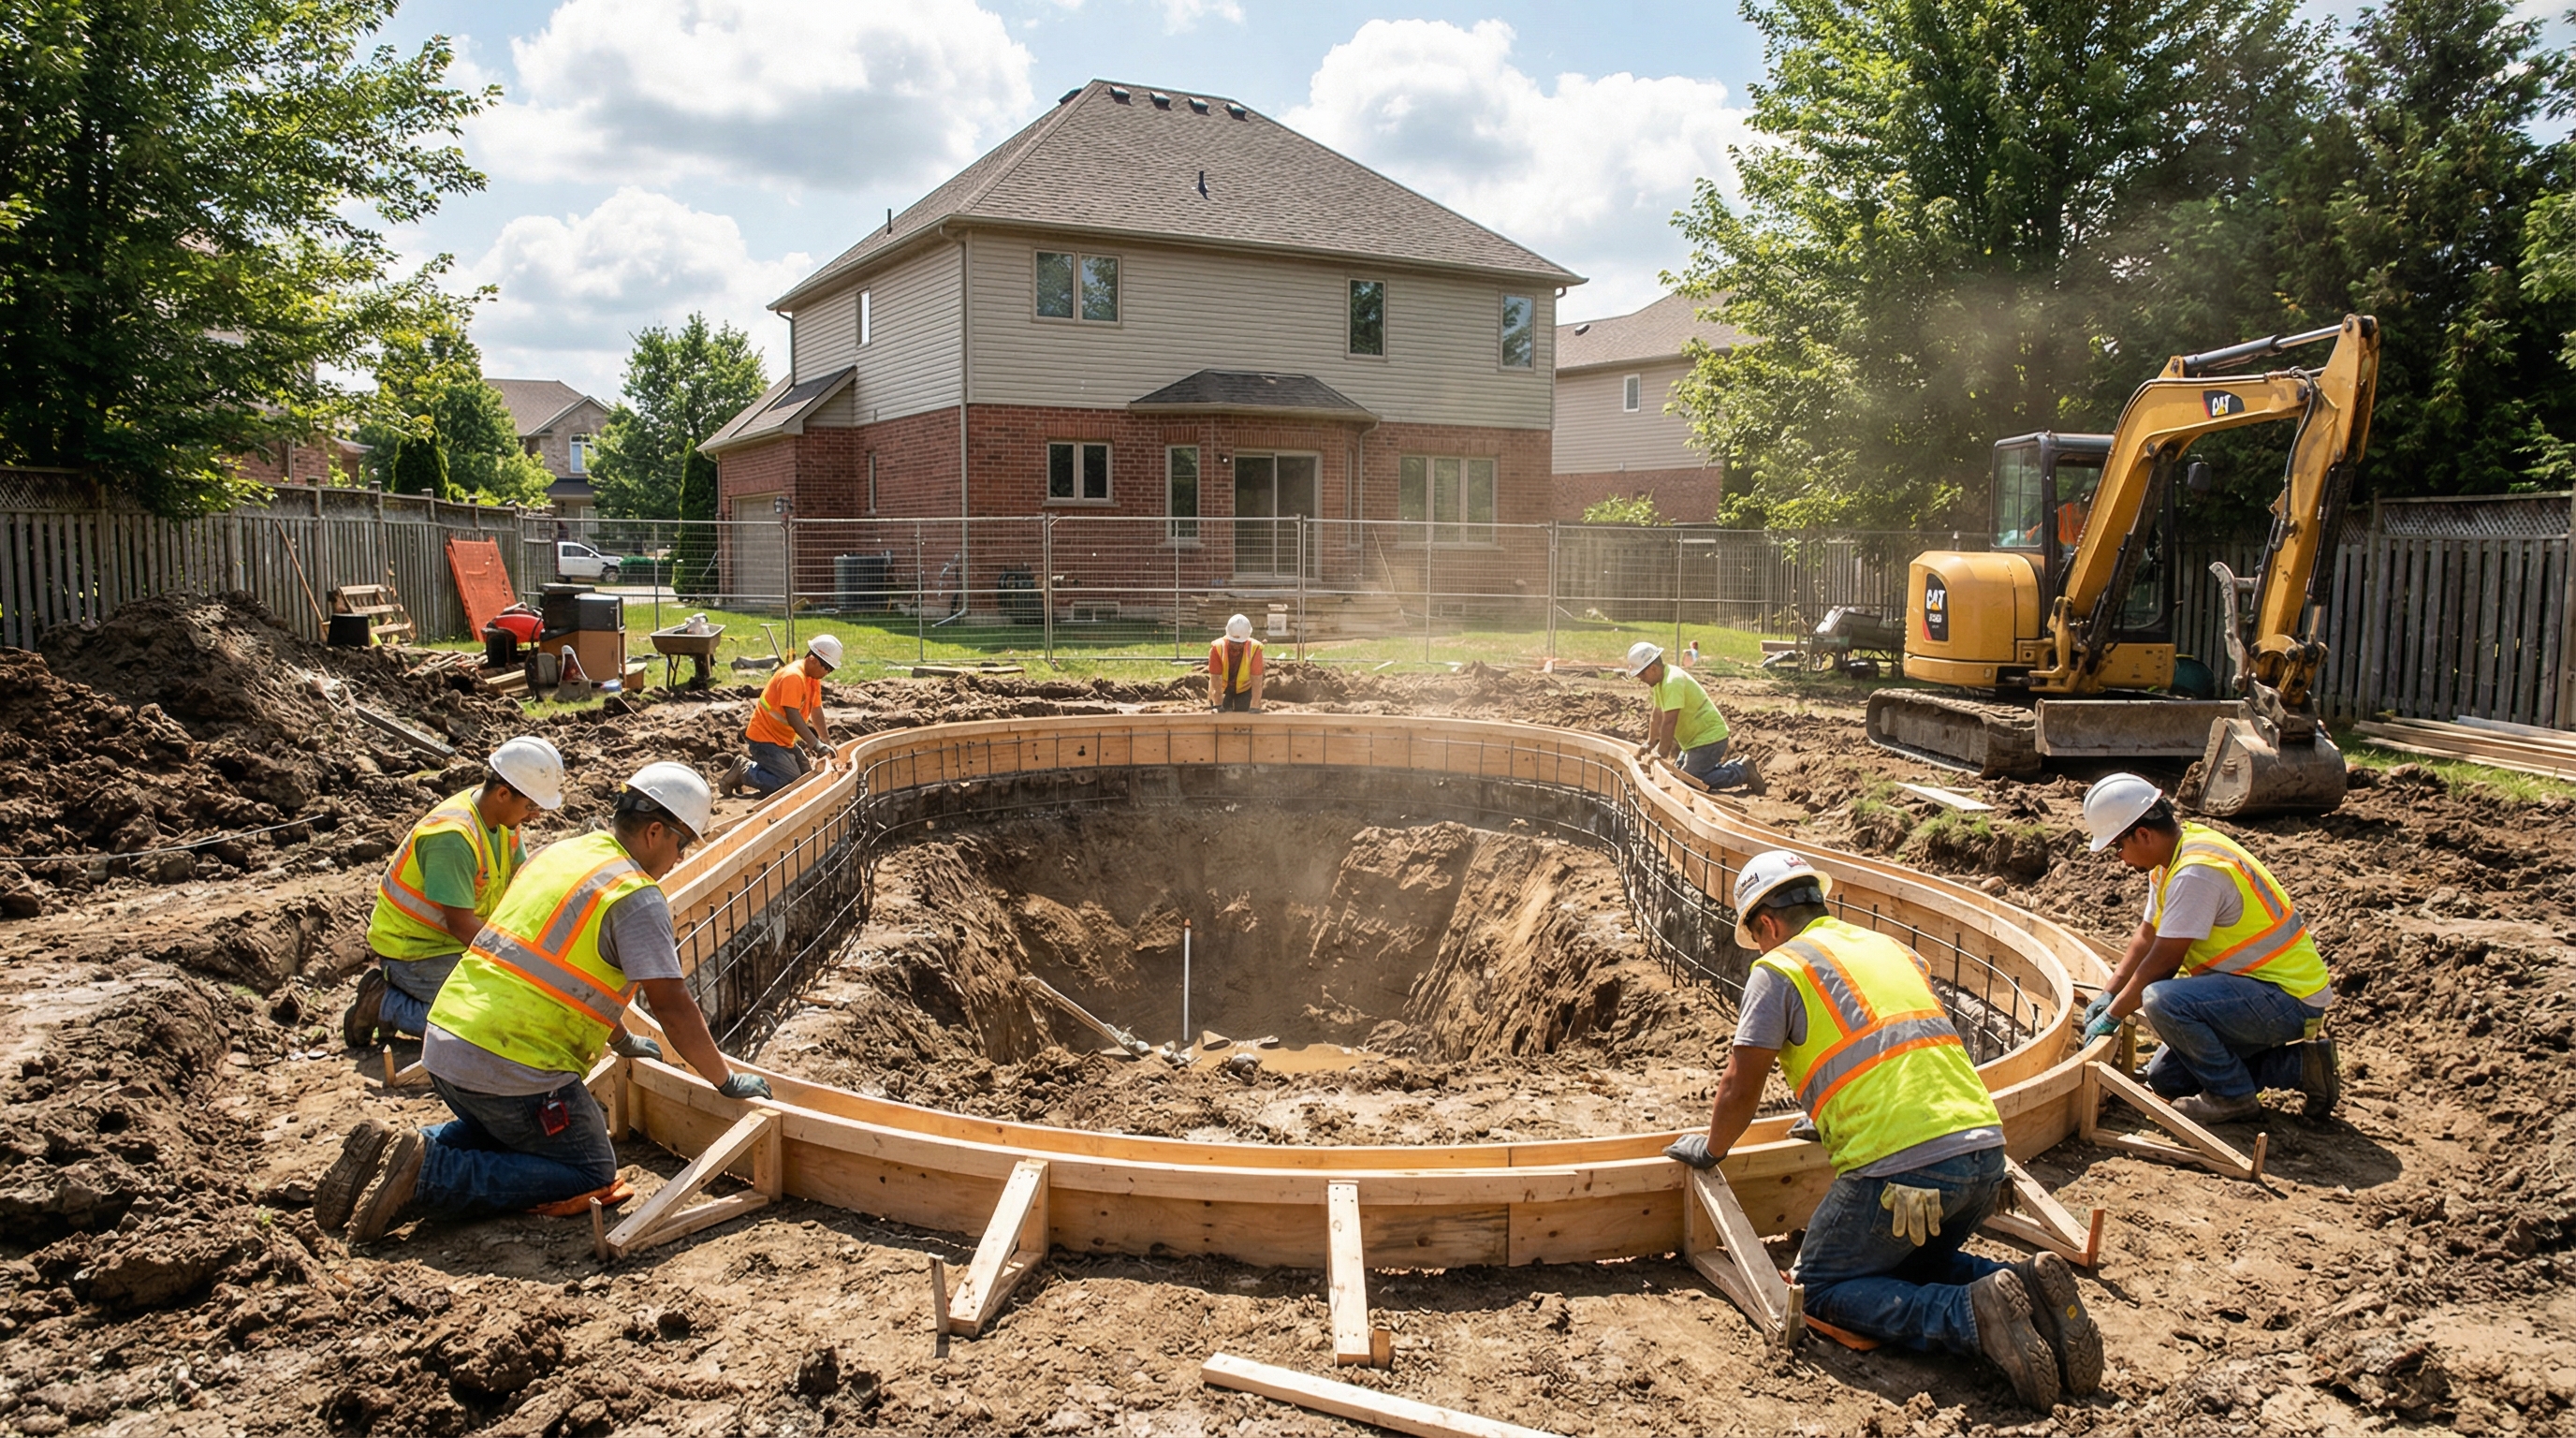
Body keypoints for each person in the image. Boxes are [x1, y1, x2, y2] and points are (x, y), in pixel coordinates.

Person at [1663, 851, 2100, 1409]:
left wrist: (1713, 1147)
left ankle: (1972, 1316)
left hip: (1904, 1169)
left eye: (1757, 938)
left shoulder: (1780, 969)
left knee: (1819, 1287)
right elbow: (1893, 1051)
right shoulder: (1891, 950)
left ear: (1766, 924)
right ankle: (2032, 1291)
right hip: (1984, 1152)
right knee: (1905, 1264)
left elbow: (1740, 1084)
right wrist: (1831, 1115)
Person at [315, 762, 774, 1243]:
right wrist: (723, 1079)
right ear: (655, 832)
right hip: (512, 1064)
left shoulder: (561, 854)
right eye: (682, 844)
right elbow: (672, 1005)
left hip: (448, 1044)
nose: (680, 858)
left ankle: (401, 1148)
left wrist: (621, 1037)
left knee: (514, 1132)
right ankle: (428, 1175)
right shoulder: (634, 897)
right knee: (587, 1170)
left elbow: (560, 969)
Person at [2077, 773, 2339, 1124]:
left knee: (2161, 1000)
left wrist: (2113, 1016)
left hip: (2288, 999)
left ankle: (2233, 1098)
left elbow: (2164, 963)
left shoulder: (2196, 873)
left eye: (2117, 847)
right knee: (2167, 1078)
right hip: (2250, 992)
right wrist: (2109, 994)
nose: (2120, 858)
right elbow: (2147, 937)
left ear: (2143, 834)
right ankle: (2301, 1067)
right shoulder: (2171, 859)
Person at [343, 737, 564, 1049]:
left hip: (456, 943)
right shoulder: (452, 838)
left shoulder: (502, 818)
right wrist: (517, 964)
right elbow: (461, 926)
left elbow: (521, 883)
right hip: (417, 951)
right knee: (486, 1023)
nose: (534, 816)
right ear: (503, 793)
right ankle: (382, 1003)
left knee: (521, 998)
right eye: (531, 806)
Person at [1625, 640, 1761, 793]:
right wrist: (1650, 743)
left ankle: (1742, 771)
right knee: (1677, 776)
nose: (1640, 678)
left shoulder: (1672, 682)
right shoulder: (1660, 682)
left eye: (1641, 674)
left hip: (1709, 740)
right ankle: (1715, 769)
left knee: (1689, 781)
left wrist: (1661, 753)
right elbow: (1657, 715)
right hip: (1694, 743)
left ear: (1653, 669)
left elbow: (1669, 722)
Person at [719, 634, 841, 799]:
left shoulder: (812, 679)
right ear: (813, 659)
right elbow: (792, 715)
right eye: (826, 667)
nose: (827, 672)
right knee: (789, 784)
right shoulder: (793, 677)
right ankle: (744, 771)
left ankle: (763, 771)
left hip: (782, 740)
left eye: (831, 669)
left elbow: (816, 709)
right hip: (764, 739)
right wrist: (816, 745)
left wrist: (825, 740)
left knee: (805, 779)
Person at [1209, 613, 1265, 712]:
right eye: (1233, 642)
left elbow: (1257, 679)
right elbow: (1215, 678)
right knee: (1223, 713)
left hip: (1244, 688)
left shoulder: (1255, 648)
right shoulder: (1217, 648)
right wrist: (1217, 704)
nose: (1236, 645)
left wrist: (1255, 705)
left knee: (1243, 711)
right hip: (1222, 688)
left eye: (1240, 643)